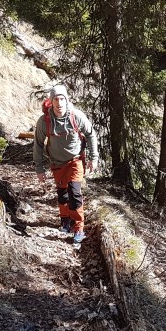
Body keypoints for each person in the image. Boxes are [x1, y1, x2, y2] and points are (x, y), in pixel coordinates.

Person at [33, 83, 99, 244]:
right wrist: (39, 168)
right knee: (62, 193)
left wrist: (94, 157)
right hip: (57, 162)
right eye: (56, 99)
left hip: (75, 160)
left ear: (67, 100)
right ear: (51, 101)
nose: (59, 103)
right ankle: (65, 220)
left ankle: (79, 228)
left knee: (74, 192)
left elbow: (90, 134)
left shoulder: (76, 116)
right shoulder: (44, 121)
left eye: (62, 99)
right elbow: (38, 144)